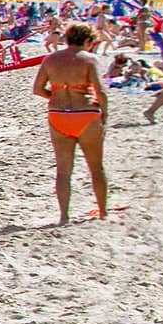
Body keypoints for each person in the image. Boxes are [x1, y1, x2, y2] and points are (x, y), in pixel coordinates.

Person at [34, 24, 109, 224]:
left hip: (58, 115)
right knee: (96, 169)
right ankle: (102, 212)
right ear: (87, 41)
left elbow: (37, 89)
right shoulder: (89, 59)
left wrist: (55, 96)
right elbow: (100, 91)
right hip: (85, 114)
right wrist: (105, 114)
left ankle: (64, 216)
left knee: (63, 171)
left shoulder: (51, 59)